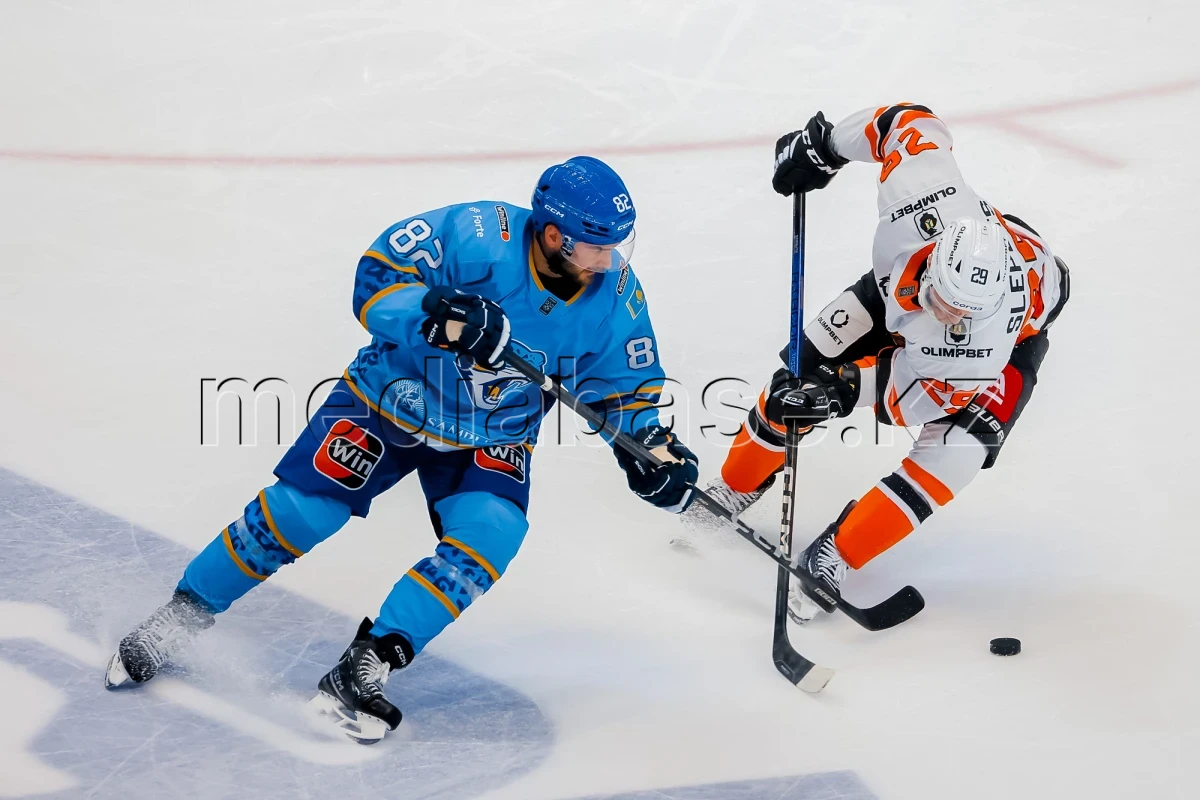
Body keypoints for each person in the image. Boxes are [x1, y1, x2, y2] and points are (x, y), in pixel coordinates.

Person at [104, 156, 700, 744]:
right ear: (552, 235)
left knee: (492, 532)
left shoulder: (617, 293)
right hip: (388, 399)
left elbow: (626, 383)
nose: (610, 259)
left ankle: (364, 664)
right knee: (302, 512)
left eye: (617, 245)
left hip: (492, 433)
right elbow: (377, 275)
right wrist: (433, 313)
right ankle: (181, 616)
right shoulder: (476, 233)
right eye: (597, 246)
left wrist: (647, 443)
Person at [687, 104, 1069, 623]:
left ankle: (838, 553)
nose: (946, 313)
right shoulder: (926, 199)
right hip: (905, 288)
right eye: (943, 298)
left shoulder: (974, 348)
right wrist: (821, 148)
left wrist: (841, 389)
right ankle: (735, 486)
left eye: (959, 313)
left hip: (1012, 344)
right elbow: (905, 121)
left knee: (954, 454)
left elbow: (904, 397)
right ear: (936, 256)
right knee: (795, 379)